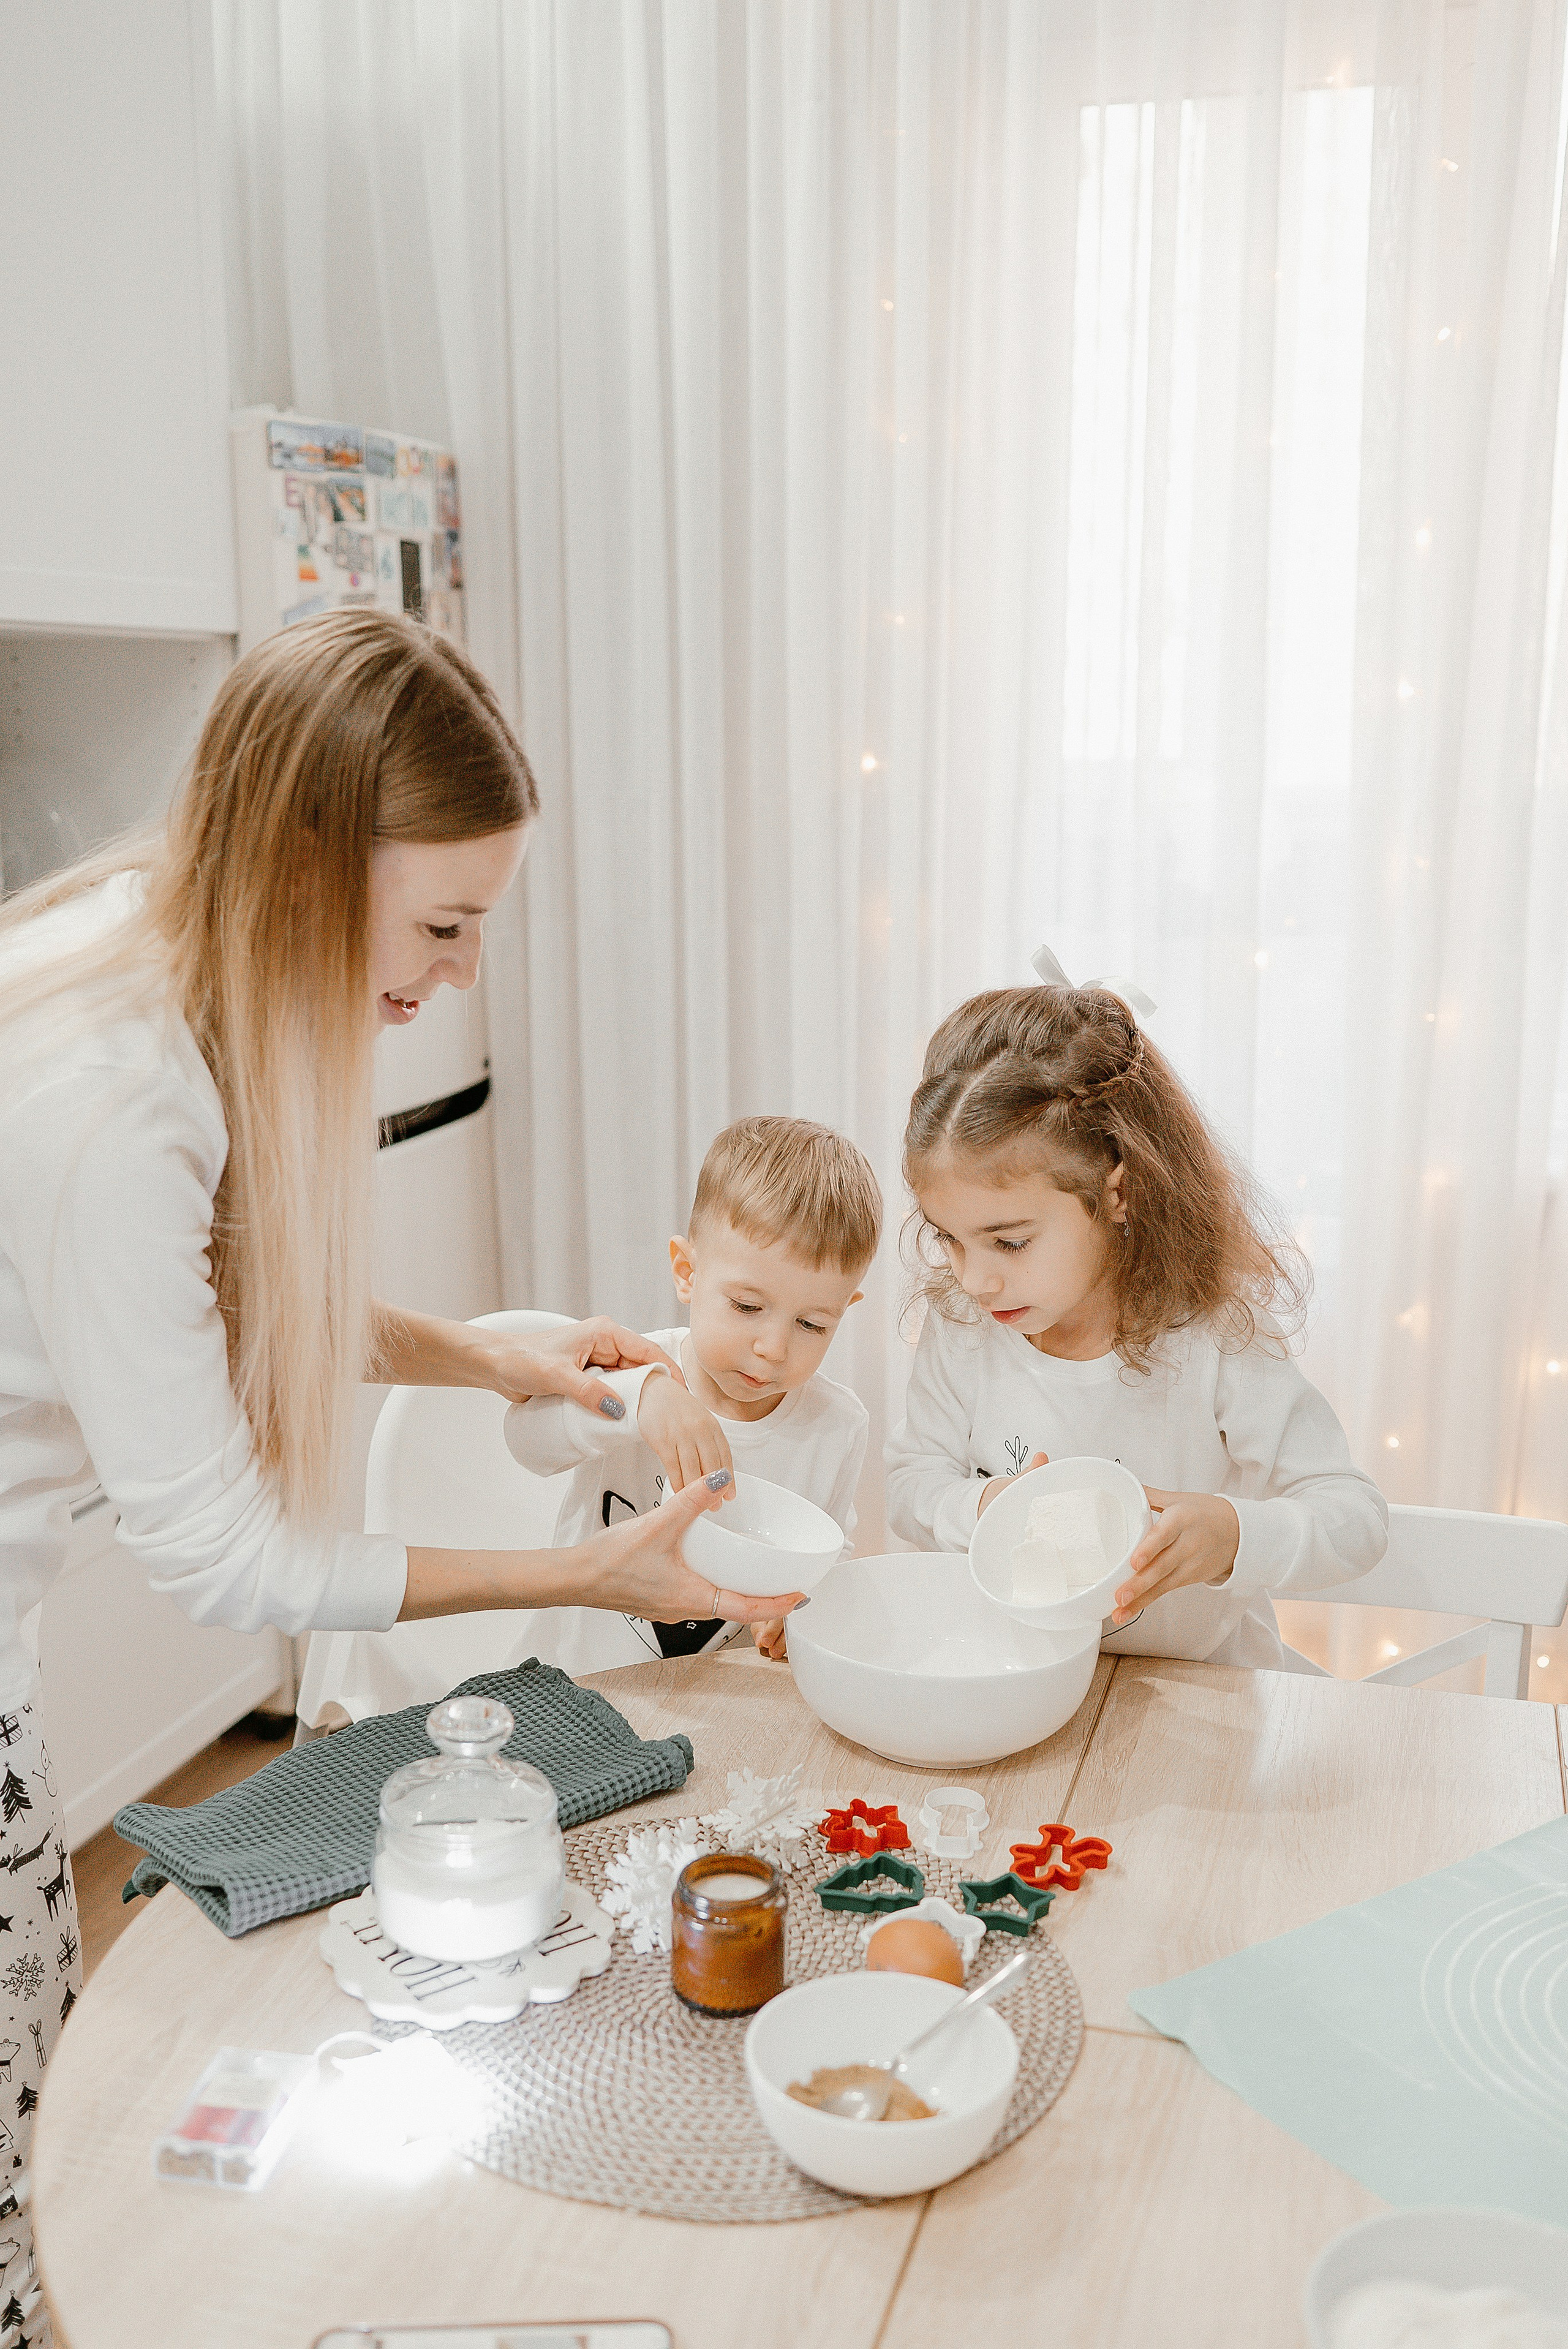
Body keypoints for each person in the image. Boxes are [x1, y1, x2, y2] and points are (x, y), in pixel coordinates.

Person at [0, 611, 799, 2326]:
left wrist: (488, 1357)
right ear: (307, 854)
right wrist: (577, 1574)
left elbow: (223, 1283)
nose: (460, 972)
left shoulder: (149, 936)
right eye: (443, 922)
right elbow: (227, 1557)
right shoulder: (110, 1095)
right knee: (24, 2186)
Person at [885, 978, 1387, 1666]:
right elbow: (910, 1484)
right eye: (949, 1238)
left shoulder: (1213, 1334)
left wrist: (1232, 1536)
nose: (974, 1280)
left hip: (1202, 1689)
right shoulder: (965, 1327)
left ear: (1118, 1191)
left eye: (1010, 1241)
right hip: (1022, 1675)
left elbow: (1354, 1518)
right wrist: (987, 1506)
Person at [504, 1115, 881, 1665]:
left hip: (718, 1693)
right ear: (687, 1272)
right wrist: (638, 1401)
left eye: (812, 1324)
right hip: (577, 1677)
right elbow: (525, 1442)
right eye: (747, 1306)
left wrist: (803, 1604)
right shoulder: (635, 1369)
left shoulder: (837, 1427)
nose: (774, 1347)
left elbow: (829, 1547)